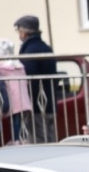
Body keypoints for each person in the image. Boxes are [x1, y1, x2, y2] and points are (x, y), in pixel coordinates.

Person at [15, 15, 58, 143]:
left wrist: (27, 104)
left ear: (24, 32)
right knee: (50, 138)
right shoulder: (45, 47)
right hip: (48, 102)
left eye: (19, 31)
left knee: (39, 141)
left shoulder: (30, 51)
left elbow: (29, 79)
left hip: (37, 105)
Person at [0, 38, 32, 144]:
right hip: (25, 101)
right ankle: (23, 141)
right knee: (22, 123)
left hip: (13, 101)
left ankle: (16, 142)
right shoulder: (20, 66)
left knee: (15, 123)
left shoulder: (1, 69)